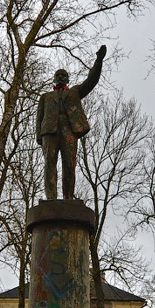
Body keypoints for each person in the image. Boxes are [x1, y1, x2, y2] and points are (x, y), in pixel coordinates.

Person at [36, 45, 107, 200]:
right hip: (49, 132)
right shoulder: (45, 97)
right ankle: (51, 199)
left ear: (68, 79)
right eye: (58, 75)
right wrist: (38, 136)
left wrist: (98, 61)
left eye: (64, 75)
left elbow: (91, 81)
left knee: (69, 164)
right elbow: (39, 117)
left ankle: (68, 198)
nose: (61, 77)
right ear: (54, 79)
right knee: (49, 164)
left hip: (69, 131)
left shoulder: (75, 92)